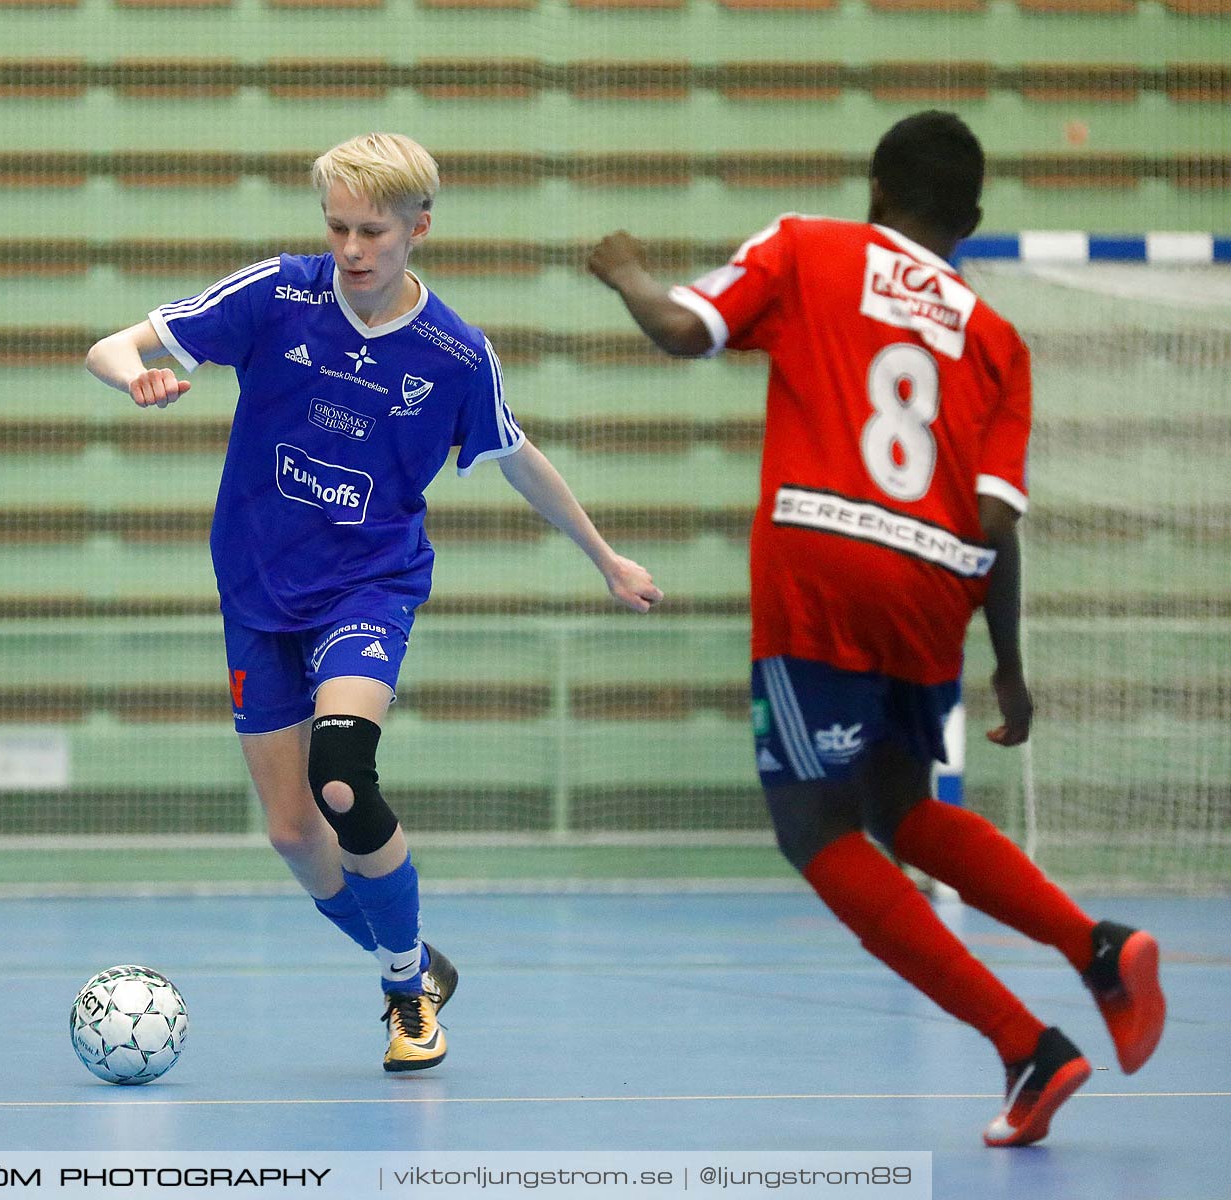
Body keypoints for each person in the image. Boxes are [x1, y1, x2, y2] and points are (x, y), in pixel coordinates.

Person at [585, 110, 1165, 1145]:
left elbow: (683, 328)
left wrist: (627, 269)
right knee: (901, 801)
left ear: (875, 192)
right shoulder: (997, 339)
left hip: (826, 568)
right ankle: (1099, 948)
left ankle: (1028, 1045)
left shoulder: (812, 246)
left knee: (816, 829)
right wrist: (1010, 667)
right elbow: (994, 519)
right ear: (972, 221)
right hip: (939, 591)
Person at [88, 132, 664, 1073]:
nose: (351, 250)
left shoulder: (453, 354)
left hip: (369, 586)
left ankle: (405, 1001)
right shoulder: (278, 294)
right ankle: (414, 961)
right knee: (293, 835)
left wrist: (603, 556)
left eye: (373, 231)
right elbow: (111, 344)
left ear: (418, 229)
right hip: (256, 589)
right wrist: (135, 377)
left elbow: (516, 455)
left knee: (344, 774)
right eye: (338, 227)